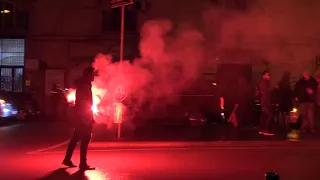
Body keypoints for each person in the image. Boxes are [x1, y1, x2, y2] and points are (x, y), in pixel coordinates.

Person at [62, 67, 95, 170]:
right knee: (85, 139)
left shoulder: (83, 84)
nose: (94, 76)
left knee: (76, 138)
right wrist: (88, 117)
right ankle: (82, 164)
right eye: (92, 74)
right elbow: (85, 103)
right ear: (88, 74)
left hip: (81, 116)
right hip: (84, 117)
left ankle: (67, 159)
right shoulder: (85, 85)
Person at [257, 70, 274, 135]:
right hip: (266, 100)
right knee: (268, 114)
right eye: (267, 75)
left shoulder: (262, 82)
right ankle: (266, 130)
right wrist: (273, 88)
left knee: (264, 114)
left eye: (269, 75)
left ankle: (262, 129)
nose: (269, 76)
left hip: (264, 100)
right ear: (263, 75)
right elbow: (267, 91)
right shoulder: (264, 82)